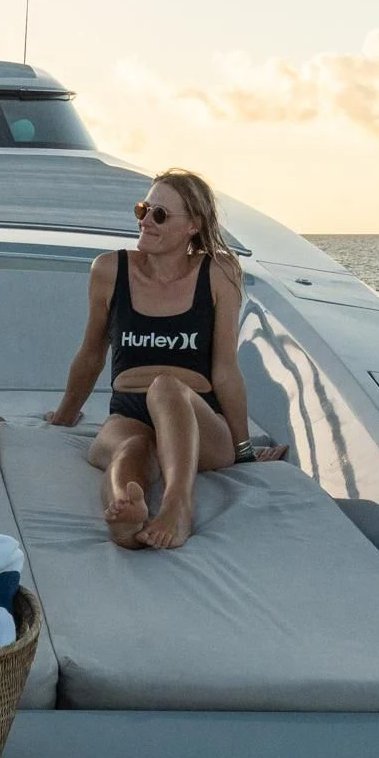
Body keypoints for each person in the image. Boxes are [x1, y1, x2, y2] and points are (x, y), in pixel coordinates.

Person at [48, 168, 287, 548]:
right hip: (127, 410)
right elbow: (92, 352)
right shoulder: (110, 270)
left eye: (160, 215)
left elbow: (226, 369)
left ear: (193, 225)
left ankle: (178, 504)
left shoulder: (218, 272)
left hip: (197, 416)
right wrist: (63, 416)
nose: (145, 221)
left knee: (166, 388)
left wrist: (243, 452)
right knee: (130, 449)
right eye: (143, 209)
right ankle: (125, 518)